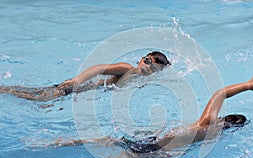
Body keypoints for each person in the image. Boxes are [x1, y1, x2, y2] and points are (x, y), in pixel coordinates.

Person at [53, 75, 253, 153]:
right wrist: (249, 85)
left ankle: (63, 142)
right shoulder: (210, 128)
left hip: (153, 140)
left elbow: (220, 94)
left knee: (112, 141)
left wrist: (248, 85)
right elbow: (220, 93)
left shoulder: (209, 124)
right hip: (155, 148)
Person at [0, 51, 171, 101]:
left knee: (37, 95)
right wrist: (76, 81)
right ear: (141, 59)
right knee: (38, 97)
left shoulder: (140, 80)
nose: (148, 67)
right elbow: (99, 69)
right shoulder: (127, 69)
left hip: (78, 93)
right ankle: (4, 89)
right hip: (74, 89)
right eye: (148, 61)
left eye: (154, 69)